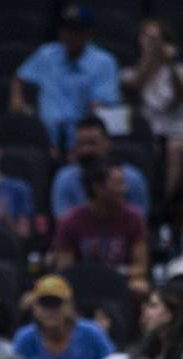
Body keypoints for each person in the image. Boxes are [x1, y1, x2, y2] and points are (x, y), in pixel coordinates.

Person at [10, 4, 121, 151]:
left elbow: (100, 108)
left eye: (76, 31)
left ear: (88, 33)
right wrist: (16, 100)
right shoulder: (46, 55)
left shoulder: (104, 62)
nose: (69, 36)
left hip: (82, 141)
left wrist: (79, 145)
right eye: (66, 30)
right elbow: (19, 77)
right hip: (45, 140)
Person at [54, 160, 150, 296]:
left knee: (140, 288)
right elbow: (65, 268)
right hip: (82, 283)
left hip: (120, 281)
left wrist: (113, 274)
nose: (124, 189)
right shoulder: (71, 221)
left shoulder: (134, 218)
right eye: (118, 184)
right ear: (98, 188)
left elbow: (141, 267)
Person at [121, 19, 183, 206]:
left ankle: (167, 205)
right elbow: (133, 87)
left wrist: (169, 62)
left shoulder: (178, 71)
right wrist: (149, 58)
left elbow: (176, 99)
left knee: (175, 147)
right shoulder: (130, 72)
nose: (152, 42)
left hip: (176, 130)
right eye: (147, 37)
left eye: (157, 38)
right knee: (152, 145)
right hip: (146, 131)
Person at [50, 116, 150, 219]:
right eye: (81, 144)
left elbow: (139, 222)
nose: (86, 150)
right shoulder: (65, 178)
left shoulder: (132, 178)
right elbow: (63, 224)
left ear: (107, 143)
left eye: (92, 143)